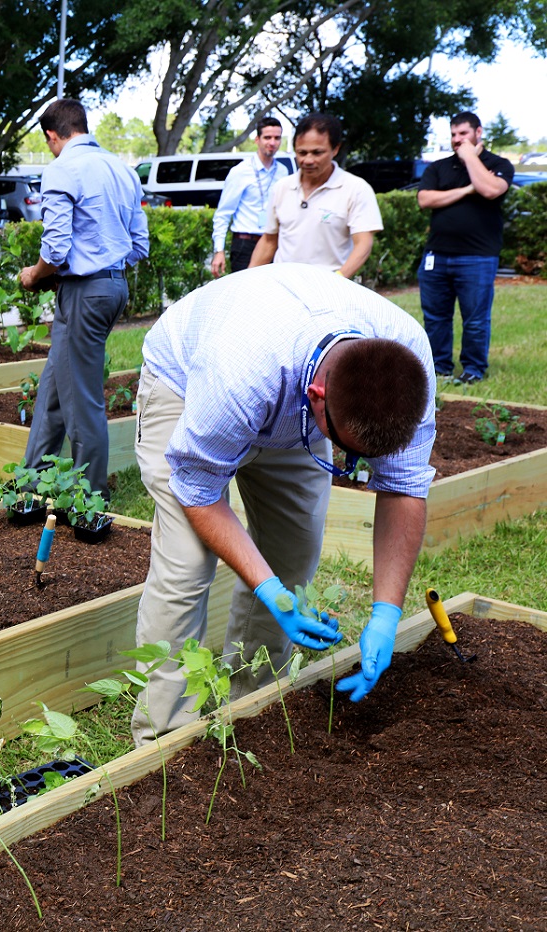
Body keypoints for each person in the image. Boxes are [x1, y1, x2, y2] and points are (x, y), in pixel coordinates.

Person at [129, 263, 436, 747]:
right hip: (188, 386)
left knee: (294, 551)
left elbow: (405, 488)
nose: (355, 466)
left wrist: (386, 614)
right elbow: (199, 494)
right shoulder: (239, 374)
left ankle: (252, 705)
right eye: (347, 449)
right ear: (318, 396)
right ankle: (164, 740)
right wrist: (269, 591)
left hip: (287, 399)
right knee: (186, 565)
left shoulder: (407, 357)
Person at [17, 98, 148, 501]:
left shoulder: (62, 168)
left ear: (51, 136)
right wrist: (104, 267)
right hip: (114, 287)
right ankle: (32, 479)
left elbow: (56, 249)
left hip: (83, 293)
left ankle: (91, 496)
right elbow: (139, 245)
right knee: (56, 385)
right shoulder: (123, 170)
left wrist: (34, 275)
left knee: (82, 401)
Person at [416, 111, 513, 386]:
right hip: (436, 255)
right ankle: (439, 367)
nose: (457, 140)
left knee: (475, 319)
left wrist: (470, 157)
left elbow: (491, 189)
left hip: (477, 257)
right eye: (453, 134)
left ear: (478, 133)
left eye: (463, 134)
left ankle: (473, 368)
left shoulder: (499, 164)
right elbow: (425, 199)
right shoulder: (438, 168)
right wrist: (468, 190)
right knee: (435, 317)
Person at [249, 113, 382, 278]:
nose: (308, 160)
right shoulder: (281, 188)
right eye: (302, 153)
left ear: (335, 149)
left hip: (329, 286)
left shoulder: (356, 189)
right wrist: (248, 280)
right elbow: (269, 241)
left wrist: (337, 279)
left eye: (317, 153)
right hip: (284, 286)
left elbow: (363, 244)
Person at [210, 117, 288, 277]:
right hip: (245, 244)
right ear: (257, 140)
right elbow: (223, 213)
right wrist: (219, 251)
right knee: (244, 291)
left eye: (277, 138)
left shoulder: (283, 172)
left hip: (274, 244)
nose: (272, 142)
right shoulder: (240, 171)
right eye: (267, 137)